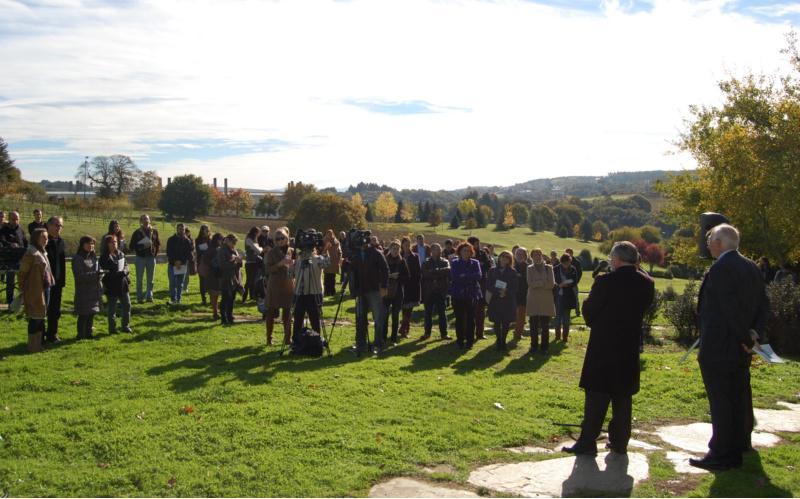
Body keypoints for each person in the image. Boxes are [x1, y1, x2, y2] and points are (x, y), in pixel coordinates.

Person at [689, 224, 769, 471]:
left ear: (720, 243)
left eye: (710, 238)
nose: (708, 243)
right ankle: (740, 443)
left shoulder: (722, 268)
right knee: (738, 397)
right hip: (740, 347)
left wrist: (745, 338)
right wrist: (754, 336)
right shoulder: (751, 267)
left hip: (720, 346)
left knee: (721, 400)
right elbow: (764, 305)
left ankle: (722, 453)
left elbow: (729, 309)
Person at [562, 241, 655, 456]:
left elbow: (590, 313)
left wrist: (588, 306)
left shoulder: (605, 281)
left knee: (596, 395)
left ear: (617, 258)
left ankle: (587, 442)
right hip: (629, 345)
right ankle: (620, 442)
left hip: (604, 345)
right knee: (623, 397)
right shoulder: (646, 283)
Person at [350, 234, 389, 355]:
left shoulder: (376, 253)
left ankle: (378, 343)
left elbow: (385, 269)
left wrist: (384, 286)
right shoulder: (356, 254)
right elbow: (353, 271)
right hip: (361, 291)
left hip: (374, 290)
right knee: (360, 318)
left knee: (378, 318)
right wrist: (354, 290)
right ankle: (361, 343)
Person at [18, 228, 53, 353]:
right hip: (35, 289)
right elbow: (22, 272)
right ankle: (32, 345)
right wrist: (23, 288)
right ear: (36, 238)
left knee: (41, 316)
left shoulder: (43, 252)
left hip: (45, 287)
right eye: (43, 237)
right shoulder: (30, 253)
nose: (46, 239)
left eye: (47, 237)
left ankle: (38, 344)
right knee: (35, 317)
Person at [292, 239, 329, 336]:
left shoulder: (317, 259)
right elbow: (290, 274)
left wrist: (325, 250)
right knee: (298, 319)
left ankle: (316, 341)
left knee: (315, 319)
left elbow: (327, 263)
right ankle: (296, 341)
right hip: (299, 293)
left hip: (314, 293)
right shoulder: (298, 261)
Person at [449, 242, 483, 350]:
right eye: (464, 250)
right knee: (459, 318)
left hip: (472, 294)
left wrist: (465, 275)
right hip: (458, 294)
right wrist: (469, 277)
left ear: (471, 252)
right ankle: (460, 341)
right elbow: (455, 277)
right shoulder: (454, 263)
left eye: (468, 251)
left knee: (470, 319)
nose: (466, 252)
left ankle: (470, 341)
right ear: (460, 252)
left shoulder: (475, 262)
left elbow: (478, 276)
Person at [265, 228, 294, 344]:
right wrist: (279, 264)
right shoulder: (271, 252)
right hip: (275, 286)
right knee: (271, 313)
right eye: (277, 239)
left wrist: (294, 265)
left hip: (288, 285)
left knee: (287, 314)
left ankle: (288, 339)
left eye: (282, 238)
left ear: (287, 238)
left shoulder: (292, 251)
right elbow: (267, 269)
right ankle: (269, 338)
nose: (280, 241)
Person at [99, 234, 132, 334]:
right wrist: (117, 272)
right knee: (112, 308)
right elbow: (106, 270)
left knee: (127, 305)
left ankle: (125, 326)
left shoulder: (121, 253)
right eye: (112, 242)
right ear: (107, 244)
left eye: (115, 242)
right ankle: (112, 329)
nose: (114, 244)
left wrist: (125, 271)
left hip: (123, 284)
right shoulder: (103, 257)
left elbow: (126, 265)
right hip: (111, 285)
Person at [487, 250, 518, 352]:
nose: (504, 258)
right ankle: (498, 340)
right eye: (503, 256)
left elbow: (515, 287)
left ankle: (503, 341)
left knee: (506, 322)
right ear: (499, 257)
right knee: (496, 321)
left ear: (510, 260)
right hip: (495, 299)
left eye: (507, 257)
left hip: (507, 300)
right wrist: (497, 291)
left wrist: (506, 292)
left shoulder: (513, 272)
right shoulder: (492, 271)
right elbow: (489, 285)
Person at [72, 235, 102, 339]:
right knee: (83, 314)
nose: (91, 245)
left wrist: (100, 273)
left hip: (93, 290)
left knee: (91, 313)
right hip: (83, 290)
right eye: (88, 243)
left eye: (93, 244)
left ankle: (89, 333)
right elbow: (79, 276)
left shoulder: (93, 257)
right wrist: (96, 274)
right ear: (82, 245)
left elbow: (96, 270)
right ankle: (80, 335)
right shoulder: (78, 258)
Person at [527, 248, 556, 354]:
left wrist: (538, 283)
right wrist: (543, 282)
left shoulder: (549, 268)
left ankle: (544, 347)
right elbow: (530, 283)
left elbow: (551, 284)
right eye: (535, 255)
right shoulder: (529, 268)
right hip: (533, 299)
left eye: (539, 254)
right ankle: (533, 346)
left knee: (545, 325)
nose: (537, 256)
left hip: (546, 299)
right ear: (532, 257)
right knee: (533, 325)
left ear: (542, 255)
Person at [421, 243, 450, 340]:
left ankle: (444, 334)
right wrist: (438, 272)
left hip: (441, 291)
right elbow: (425, 274)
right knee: (428, 313)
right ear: (431, 251)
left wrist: (433, 272)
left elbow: (448, 271)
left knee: (442, 313)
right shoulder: (426, 262)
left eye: (438, 249)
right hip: (429, 291)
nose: (436, 251)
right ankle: (427, 333)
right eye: (434, 249)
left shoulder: (445, 261)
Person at [467, 236, 494, 340]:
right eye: (475, 243)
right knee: (469, 311)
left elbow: (488, 265)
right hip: (469, 285)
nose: (477, 246)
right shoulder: (465, 253)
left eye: (478, 243)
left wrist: (481, 265)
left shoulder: (483, 253)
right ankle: (468, 332)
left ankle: (480, 333)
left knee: (480, 311)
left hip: (481, 284)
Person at [44, 216, 66, 343]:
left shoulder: (61, 242)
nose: (59, 228)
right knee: (42, 309)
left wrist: (61, 281)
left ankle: (52, 334)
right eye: (57, 225)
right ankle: (39, 336)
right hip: (44, 282)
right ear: (49, 225)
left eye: (61, 226)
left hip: (57, 282)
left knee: (55, 309)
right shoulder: (43, 241)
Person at [130, 214, 160, 303]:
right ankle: (139, 298)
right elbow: (132, 246)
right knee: (139, 279)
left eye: (147, 219)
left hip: (151, 258)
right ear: (141, 221)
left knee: (151, 280)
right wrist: (142, 245)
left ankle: (149, 296)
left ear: (149, 220)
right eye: (143, 219)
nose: (146, 221)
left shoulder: (154, 231)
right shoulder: (137, 232)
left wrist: (155, 254)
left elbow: (158, 243)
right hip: (140, 258)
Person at [383, 240, 409, 345]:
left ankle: (393, 338)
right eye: (394, 248)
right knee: (384, 316)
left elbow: (407, 277)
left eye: (397, 249)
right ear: (390, 249)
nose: (395, 251)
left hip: (398, 292)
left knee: (395, 316)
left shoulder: (402, 261)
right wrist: (389, 276)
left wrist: (398, 277)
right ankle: (383, 337)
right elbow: (379, 275)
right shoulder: (384, 260)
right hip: (386, 292)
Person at [0, 211, 27, 304]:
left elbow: (25, 243)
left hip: (21, 260)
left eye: (17, 219)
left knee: (24, 282)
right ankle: (10, 302)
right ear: (9, 219)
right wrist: (11, 244)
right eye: (13, 219)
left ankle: (22, 301)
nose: (15, 221)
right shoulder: (3, 230)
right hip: (8, 261)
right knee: (10, 282)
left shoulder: (21, 230)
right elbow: (2, 240)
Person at [218, 234, 244, 327]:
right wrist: (234, 261)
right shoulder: (222, 250)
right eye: (233, 242)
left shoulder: (234, 250)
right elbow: (223, 265)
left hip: (234, 277)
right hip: (225, 277)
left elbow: (239, 265)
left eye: (235, 242)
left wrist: (239, 261)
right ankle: (223, 318)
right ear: (227, 241)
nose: (234, 244)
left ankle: (230, 316)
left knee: (232, 298)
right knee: (225, 298)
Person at [553, 253, 578, 342]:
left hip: (568, 296)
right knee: (558, 318)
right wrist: (559, 285)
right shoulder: (555, 269)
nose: (567, 265)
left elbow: (575, 281)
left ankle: (565, 337)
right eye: (565, 263)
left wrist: (567, 284)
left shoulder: (573, 269)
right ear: (562, 262)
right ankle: (557, 336)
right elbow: (552, 281)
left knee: (566, 319)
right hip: (558, 296)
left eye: (568, 263)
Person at [166, 223, 192, 305]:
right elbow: (169, 252)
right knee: (172, 283)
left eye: (183, 229)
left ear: (184, 230)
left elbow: (188, 253)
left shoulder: (187, 241)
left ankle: (178, 300)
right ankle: (173, 299)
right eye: (180, 229)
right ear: (177, 229)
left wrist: (181, 261)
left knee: (180, 283)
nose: (181, 230)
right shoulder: (171, 239)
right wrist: (175, 261)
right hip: (172, 264)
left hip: (182, 265)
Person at [400, 237, 421, 339]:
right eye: (405, 245)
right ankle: (403, 328)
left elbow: (418, 271)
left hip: (412, 286)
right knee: (404, 308)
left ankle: (404, 328)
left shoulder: (415, 257)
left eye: (408, 245)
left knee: (409, 309)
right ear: (402, 245)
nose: (407, 247)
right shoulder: (399, 256)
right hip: (402, 285)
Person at [200, 233, 224, 320]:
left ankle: (215, 312)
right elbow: (207, 261)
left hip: (212, 274)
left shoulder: (210, 249)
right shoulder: (214, 250)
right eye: (221, 239)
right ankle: (215, 313)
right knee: (215, 294)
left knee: (214, 295)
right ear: (218, 240)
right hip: (214, 275)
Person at [512, 247, 529, 340]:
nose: (519, 256)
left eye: (521, 254)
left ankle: (518, 333)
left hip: (523, 294)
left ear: (525, 256)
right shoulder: (511, 265)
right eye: (517, 254)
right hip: (511, 294)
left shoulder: (529, 267)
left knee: (521, 315)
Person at [242, 227, 263, 303]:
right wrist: (260, 249)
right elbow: (258, 250)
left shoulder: (253, 240)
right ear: (255, 232)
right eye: (258, 233)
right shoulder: (249, 240)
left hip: (254, 262)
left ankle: (252, 296)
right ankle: (244, 297)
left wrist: (259, 249)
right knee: (248, 281)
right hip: (250, 262)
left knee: (253, 280)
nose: (258, 235)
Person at [195, 225, 212, 305]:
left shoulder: (211, 240)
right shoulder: (198, 240)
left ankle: (211, 298)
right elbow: (199, 251)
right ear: (201, 231)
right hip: (201, 263)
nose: (206, 231)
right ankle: (203, 299)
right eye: (205, 230)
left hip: (210, 263)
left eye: (207, 230)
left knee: (210, 281)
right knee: (202, 281)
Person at [322, 230, 342, 297]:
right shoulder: (323, 241)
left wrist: (339, 260)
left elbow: (340, 252)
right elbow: (321, 251)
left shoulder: (336, 242)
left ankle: (332, 291)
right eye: (328, 234)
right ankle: (327, 291)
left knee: (332, 277)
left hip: (333, 261)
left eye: (330, 234)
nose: (329, 235)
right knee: (327, 277)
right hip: (327, 261)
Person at [565, 248, 583, 317]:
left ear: (572, 253)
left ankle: (577, 312)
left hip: (574, 284)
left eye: (569, 253)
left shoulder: (576, 262)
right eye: (566, 253)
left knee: (575, 298)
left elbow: (580, 273)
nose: (567, 254)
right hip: (565, 284)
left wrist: (576, 282)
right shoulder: (563, 261)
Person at [183, 227, 196, 293]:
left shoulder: (191, 240)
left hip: (188, 259)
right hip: (182, 259)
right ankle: (179, 286)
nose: (186, 233)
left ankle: (185, 287)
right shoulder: (181, 239)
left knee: (187, 274)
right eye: (185, 232)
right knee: (180, 273)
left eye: (187, 232)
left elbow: (192, 248)